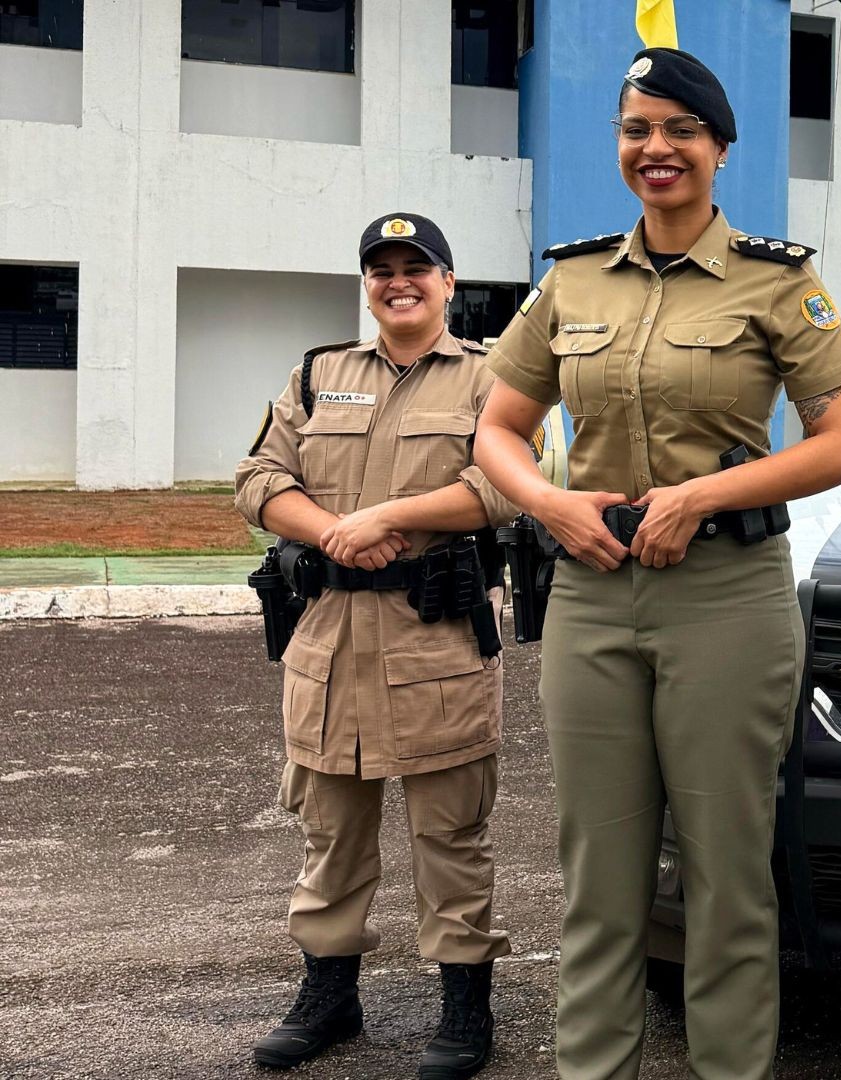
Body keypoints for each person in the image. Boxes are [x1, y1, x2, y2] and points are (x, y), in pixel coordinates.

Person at [471, 48, 841, 1080]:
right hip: (594, 598)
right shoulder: (571, 278)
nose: (658, 150)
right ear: (619, 147)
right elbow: (497, 431)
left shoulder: (779, 282)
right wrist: (552, 504)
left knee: (727, 873)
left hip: (726, 601)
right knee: (598, 874)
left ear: (719, 150)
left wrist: (701, 495)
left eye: (681, 131)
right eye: (638, 130)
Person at [234, 212, 521, 1078]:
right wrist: (331, 534)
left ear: (449, 281)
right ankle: (330, 996)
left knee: (451, 836)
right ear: (367, 282)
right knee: (329, 833)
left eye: (417, 268)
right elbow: (257, 478)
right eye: (382, 269)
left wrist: (388, 518)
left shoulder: (491, 376)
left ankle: (465, 1010)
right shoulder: (320, 373)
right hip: (327, 646)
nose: (399, 281)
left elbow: (502, 487)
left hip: (435, 643)